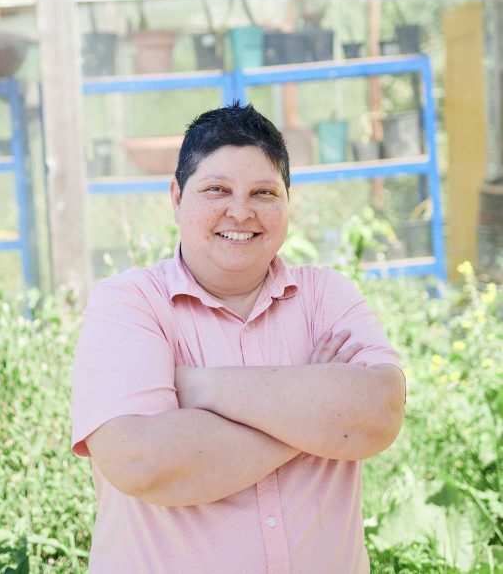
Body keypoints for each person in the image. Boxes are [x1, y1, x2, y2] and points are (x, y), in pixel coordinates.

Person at [71, 101, 406, 574]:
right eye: (217, 189)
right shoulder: (129, 305)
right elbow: (141, 460)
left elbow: (381, 412)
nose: (240, 211)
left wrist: (201, 387)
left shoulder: (326, 296)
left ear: (289, 201)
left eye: (264, 193)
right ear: (176, 198)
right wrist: (315, 416)